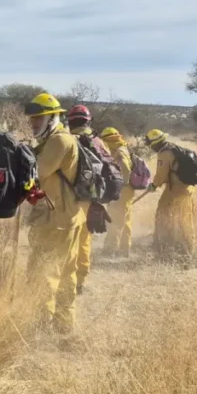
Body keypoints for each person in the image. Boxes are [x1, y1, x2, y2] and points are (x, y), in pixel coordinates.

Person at [23, 93, 86, 339]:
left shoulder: (59, 141)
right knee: (65, 274)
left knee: (43, 274)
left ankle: (39, 331)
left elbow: (34, 174)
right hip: (67, 217)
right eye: (32, 119)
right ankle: (63, 326)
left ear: (53, 116)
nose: (34, 123)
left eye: (39, 117)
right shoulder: (55, 139)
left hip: (54, 221)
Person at [66, 105, 103, 294]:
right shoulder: (98, 141)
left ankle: (71, 281)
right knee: (85, 240)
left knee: (72, 240)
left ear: (71, 121)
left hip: (75, 198)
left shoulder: (71, 140)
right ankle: (81, 279)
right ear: (88, 121)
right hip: (94, 198)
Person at [145, 129, 196, 259]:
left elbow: (161, 174)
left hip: (175, 190)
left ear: (155, 143)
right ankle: (188, 248)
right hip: (187, 189)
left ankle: (161, 245)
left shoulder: (164, 154)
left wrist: (154, 185)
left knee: (162, 214)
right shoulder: (175, 148)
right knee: (185, 218)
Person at [100, 127, 135, 256]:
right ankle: (124, 249)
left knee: (114, 221)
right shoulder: (122, 149)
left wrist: (119, 186)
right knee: (124, 221)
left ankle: (109, 250)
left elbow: (125, 170)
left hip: (122, 191)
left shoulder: (119, 152)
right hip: (127, 190)